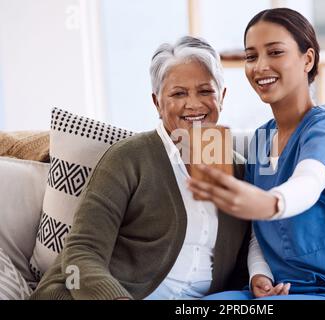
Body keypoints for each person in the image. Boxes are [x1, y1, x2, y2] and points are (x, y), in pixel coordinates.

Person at [188, 8, 325, 300]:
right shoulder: (261, 139)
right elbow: (261, 233)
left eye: (275, 52)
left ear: (307, 59)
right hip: (286, 291)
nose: (260, 66)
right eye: (251, 56)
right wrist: (260, 274)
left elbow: (307, 184)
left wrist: (269, 202)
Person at [29, 36, 250, 300]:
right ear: (157, 102)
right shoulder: (127, 158)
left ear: (222, 97)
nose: (193, 104)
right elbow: (81, 252)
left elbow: (244, 260)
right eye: (178, 93)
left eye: (205, 91)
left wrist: (261, 280)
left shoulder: (239, 170)